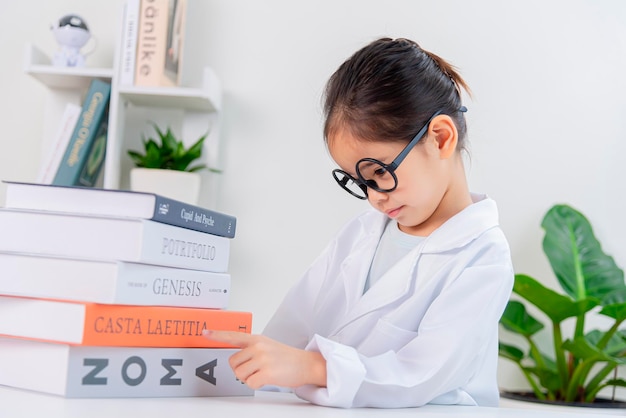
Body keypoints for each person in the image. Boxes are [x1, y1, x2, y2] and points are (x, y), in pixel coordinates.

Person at [204, 37, 514, 408]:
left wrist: (313, 368)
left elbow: (420, 376)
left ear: (441, 138)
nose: (374, 197)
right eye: (358, 181)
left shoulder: (482, 257)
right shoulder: (360, 235)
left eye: (379, 173)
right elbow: (290, 332)